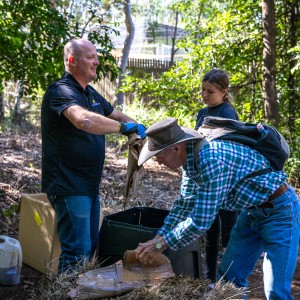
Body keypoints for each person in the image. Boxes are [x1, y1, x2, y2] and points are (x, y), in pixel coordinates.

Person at [136, 118, 300, 300]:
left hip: (280, 212)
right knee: (230, 278)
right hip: (251, 211)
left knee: (275, 291)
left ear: (176, 148)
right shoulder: (191, 161)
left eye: (159, 155)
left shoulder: (211, 159)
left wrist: (160, 245)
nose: (158, 162)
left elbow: (200, 221)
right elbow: (183, 206)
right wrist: (158, 238)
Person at [41, 38, 146, 273]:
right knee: (76, 251)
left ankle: (77, 290)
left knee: (89, 248)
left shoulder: (91, 94)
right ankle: (64, 293)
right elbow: (83, 119)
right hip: (68, 185)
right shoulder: (60, 90)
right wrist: (123, 129)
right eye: (91, 57)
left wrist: (140, 127)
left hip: (88, 186)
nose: (97, 61)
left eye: (96, 57)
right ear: (72, 61)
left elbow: (117, 115)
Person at [195, 69, 239, 284]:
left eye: (209, 91)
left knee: (229, 234)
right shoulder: (202, 113)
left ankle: (229, 280)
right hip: (208, 180)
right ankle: (211, 278)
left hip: (228, 182)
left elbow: (228, 148)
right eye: (203, 90)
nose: (204, 95)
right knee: (211, 232)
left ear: (223, 92)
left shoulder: (228, 113)